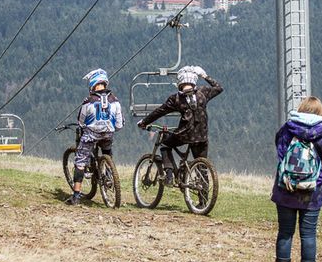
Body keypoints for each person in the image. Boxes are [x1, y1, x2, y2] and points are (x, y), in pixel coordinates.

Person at [271, 97, 322, 262]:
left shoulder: (289, 126)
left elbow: (281, 149)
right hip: (311, 190)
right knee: (308, 234)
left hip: (286, 187)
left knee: (285, 232)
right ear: (319, 112)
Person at [136, 66, 222, 186]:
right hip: (202, 135)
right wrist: (205, 75)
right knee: (202, 167)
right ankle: (203, 203)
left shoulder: (176, 99)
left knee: (165, 144)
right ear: (194, 80)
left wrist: (144, 122)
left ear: (180, 81)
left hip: (184, 135)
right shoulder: (203, 92)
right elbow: (219, 88)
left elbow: (159, 111)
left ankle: (169, 175)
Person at [66, 69, 124, 206]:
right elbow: (120, 124)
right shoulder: (115, 100)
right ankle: (109, 173)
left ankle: (76, 196)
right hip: (108, 134)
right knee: (107, 151)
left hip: (91, 134)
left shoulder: (88, 101)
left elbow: (81, 120)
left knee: (80, 161)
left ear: (92, 84)